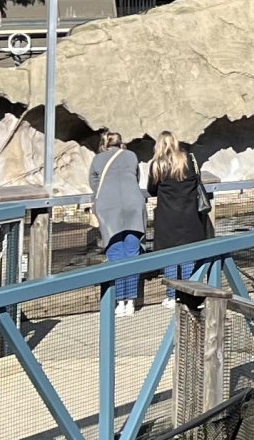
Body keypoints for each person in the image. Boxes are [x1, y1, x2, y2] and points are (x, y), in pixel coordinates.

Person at [147, 130, 212, 304]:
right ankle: (187, 294)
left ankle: (171, 295)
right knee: (188, 256)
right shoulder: (188, 160)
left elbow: (152, 189)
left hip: (167, 217)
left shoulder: (157, 165)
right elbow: (196, 180)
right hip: (189, 215)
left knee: (170, 257)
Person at [89, 130, 147, 315]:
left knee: (115, 254)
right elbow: (137, 178)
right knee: (132, 252)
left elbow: (93, 182)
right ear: (121, 142)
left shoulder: (98, 159)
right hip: (133, 205)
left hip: (109, 208)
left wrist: (105, 191)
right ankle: (131, 301)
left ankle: (119, 301)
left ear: (104, 143)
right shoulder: (131, 156)